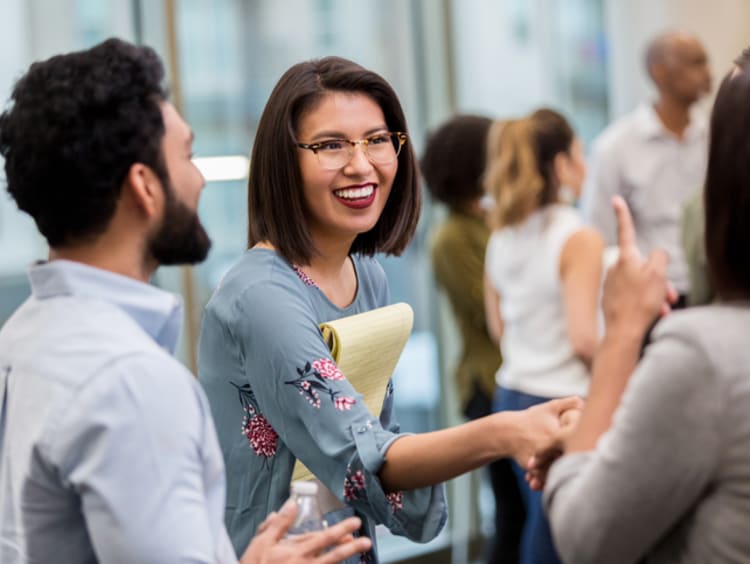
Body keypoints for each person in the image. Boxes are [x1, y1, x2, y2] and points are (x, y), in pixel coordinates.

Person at [0, 38, 371, 564]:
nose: (198, 179)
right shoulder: (131, 381)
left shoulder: (21, 336)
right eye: (189, 156)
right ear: (144, 187)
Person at [197, 57, 581, 563]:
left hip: (344, 542)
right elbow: (363, 454)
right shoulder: (261, 295)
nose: (361, 164)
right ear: (282, 161)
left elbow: (375, 437)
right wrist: (505, 430)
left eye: (378, 140)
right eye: (330, 145)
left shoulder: (367, 273)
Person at [539, 52, 750, 564]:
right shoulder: (617, 148)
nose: (701, 71)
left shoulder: (706, 358)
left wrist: (621, 335)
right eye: (691, 60)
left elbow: (586, 540)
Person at [483, 109, 604, 564]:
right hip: (564, 403)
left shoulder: (502, 234)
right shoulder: (577, 237)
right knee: (564, 533)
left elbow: (499, 329)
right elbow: (584, 340)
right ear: (559, 164)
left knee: (540, 523)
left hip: (512, 391)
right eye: (579, 150)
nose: (585, 161)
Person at [421, 114, 524, 564]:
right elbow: (493, 314)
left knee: (520, 513)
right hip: (489, 384)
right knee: (512, 516)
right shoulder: (451, 239)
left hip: (510, 376)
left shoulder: (488, 220)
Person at [580, 31, 712, 306]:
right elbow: (599, 234)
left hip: (711, 290)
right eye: (695, 63)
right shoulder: (615, 147)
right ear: (659, 72)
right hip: (653, 297)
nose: (707, 73)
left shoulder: (715, 136)